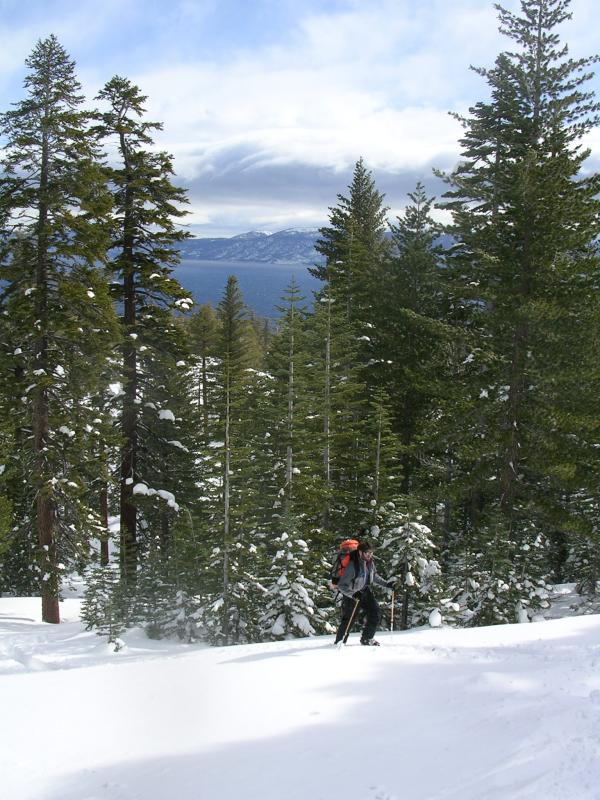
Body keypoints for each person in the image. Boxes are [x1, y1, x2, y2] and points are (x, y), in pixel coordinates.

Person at [334, 540, 395, 646]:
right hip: (352, 593)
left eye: (371, 552)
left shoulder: (370, 562)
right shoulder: (352, 565)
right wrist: (353, 594)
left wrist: (387, 584)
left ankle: (367, 638)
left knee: (375, 612)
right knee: (349, 619)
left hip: (365, 591)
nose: (370, 555)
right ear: (360, 552)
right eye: (367, 553)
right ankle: (340, 642)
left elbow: (373, 576)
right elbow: (342, 585)